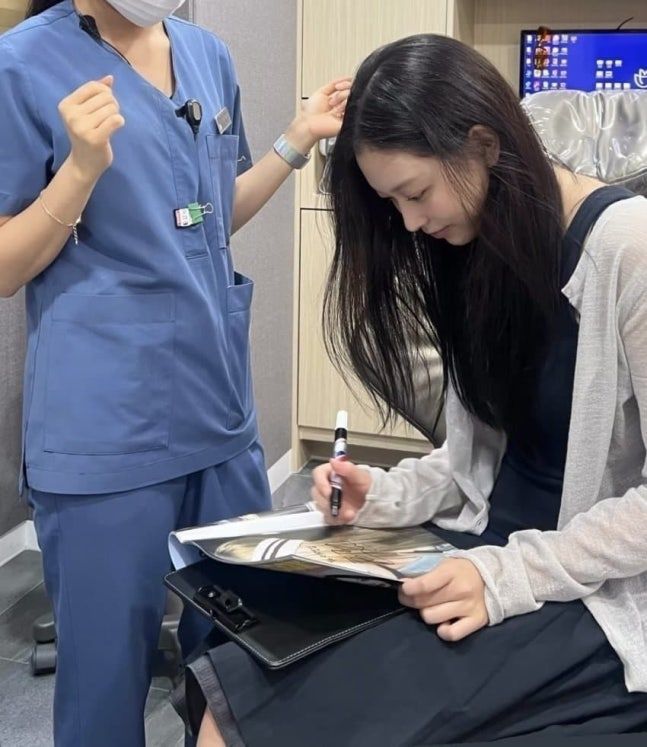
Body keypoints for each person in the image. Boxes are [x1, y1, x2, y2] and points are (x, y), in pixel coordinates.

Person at [186, 34, 647, 747]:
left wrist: (503, 577)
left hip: (577, 583)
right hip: (476, 550)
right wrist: (380, 495)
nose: (409, 223)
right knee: (242, 645)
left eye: (415, 193)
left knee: (254, 717)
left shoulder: (627, 249)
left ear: (483, 145)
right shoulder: (480, 247)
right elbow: (477, 464)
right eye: (390, 202)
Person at [0, 1, 348, 745]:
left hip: (218, 413)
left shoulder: (207, 55)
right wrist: (79, 171)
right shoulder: (21, 64)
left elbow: (208, 216)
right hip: (106, 428)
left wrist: (296, 139)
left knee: (238, 666)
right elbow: (5, 267)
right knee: (104, 685)